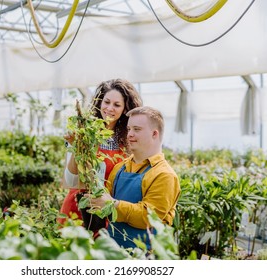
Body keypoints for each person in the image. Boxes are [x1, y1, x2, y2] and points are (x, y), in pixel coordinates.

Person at [88, 106, 181, 250]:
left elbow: (149, 217)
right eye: (129, 129)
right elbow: (104, 201)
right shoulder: (120, 168)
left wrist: (113, 205)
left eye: (137, 129)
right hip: (114, 251)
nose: (130, 134)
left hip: (146, 255)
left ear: (154, 134)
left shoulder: (164, 175)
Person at [58, 78, 143, 229]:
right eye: (107, 102)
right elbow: (70, 180)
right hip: (76, 208)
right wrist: (77, 145)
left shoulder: (127, 142)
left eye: (117, 105)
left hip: (107, 214)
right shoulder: (84, 132)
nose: (110, 108)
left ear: (124, 109)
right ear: (99, 103)